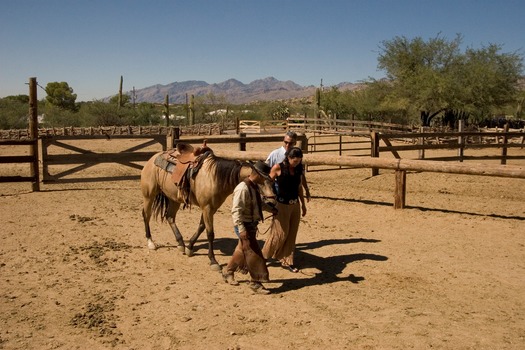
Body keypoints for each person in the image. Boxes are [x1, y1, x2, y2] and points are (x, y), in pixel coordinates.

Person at [223, 160, 275, 294]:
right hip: (244, 225)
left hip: (250, 225)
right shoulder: (242, 188)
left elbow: (258, 203)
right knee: (254, 253)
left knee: (241, 250)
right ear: (257, 174)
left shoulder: (254, 187)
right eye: (263, 177)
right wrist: (241, 229)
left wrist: (271, 209)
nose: (264, 180)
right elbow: (236, 210)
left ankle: (228, 272)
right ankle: (255, 282)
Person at [262, 147, 307, 273]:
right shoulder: (278, 167)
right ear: (289, 158)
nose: (297, 163)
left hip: (295, 205)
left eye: (299, 161)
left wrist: (303, 205)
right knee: (279, 234)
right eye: (295, 161)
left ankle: (287, 260)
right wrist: (270, 200)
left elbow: (299, 188)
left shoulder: (299, 169)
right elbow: (267, 183)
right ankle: (263, 258)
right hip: (281, 205)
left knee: (292, 234)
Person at [266, 131, 311, 202]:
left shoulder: (296, 156)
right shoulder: (274, 154)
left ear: (295, 143)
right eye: (286, 142)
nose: (287, 145)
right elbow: (266, 173)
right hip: (278, 189)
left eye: (290, 143)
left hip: (293, 190)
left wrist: (306, 189)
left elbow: (300, 174)